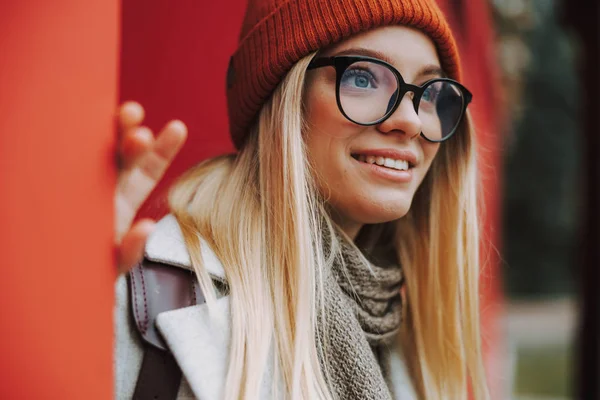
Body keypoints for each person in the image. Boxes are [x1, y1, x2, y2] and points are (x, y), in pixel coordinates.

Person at [114, 0, 489, 399]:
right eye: (362, 79)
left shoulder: (397, 327)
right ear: (283, 97)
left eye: (430, 93)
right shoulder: (142, 295)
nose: (411, 121)